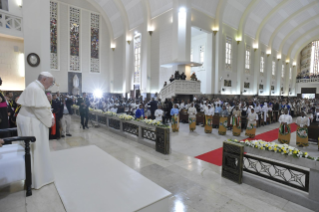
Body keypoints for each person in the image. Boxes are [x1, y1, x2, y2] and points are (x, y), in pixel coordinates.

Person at [16, 72, 55, 189]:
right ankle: (37, 178)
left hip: (28, 121)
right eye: (50, 82)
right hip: (31, 124)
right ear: (44, 79)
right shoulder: (36, 89)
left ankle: (31, 177)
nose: (51, 84)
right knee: (35, 150)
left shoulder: (34, 86)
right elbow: (41, 111)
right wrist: (51, 119)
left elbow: (40, 107)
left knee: (31, 151)